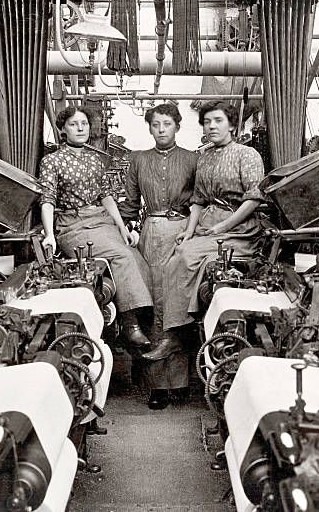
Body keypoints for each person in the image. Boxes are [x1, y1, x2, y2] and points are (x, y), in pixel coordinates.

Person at [39, 105, 153, 347]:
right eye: (73, 124)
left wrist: (123, 228)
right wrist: (50, 234)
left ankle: (135, 321)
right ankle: (131, 324)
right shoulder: (52, 161)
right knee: (122, 255)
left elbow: (106, 196)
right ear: (62, 129)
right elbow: (47, 200)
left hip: (100, 220)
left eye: (84, 124)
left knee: (136, 254)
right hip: (73, 225)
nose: (80, 128)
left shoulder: (95, 160)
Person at [160, 100, 265, 345]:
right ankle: (181, 329)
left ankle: (178, 333)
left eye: (218, 121)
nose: (211, 126)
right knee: (175, 256)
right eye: (207, 122)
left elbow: (254, 199)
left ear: (232, 125)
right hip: (209, 222)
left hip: (239, 228)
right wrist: (188, 230)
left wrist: (224, 226)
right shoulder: (204, 157)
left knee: (186, 258)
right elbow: (197, 200)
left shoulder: (247, 155)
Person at [119, 102, 197, 410]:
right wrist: (125, 228)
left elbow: (199, 202)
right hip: (150, 231)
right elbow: (129, 202)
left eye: (166, 124)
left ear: (177, 126)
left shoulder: (193, 160)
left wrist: (193, 232)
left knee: (177, 301)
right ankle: (156, 387)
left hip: (182, 233)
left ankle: (181, 383)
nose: (161, 129)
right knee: (152, 301)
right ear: (149, 128)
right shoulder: (138, 160)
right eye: (155, 125)